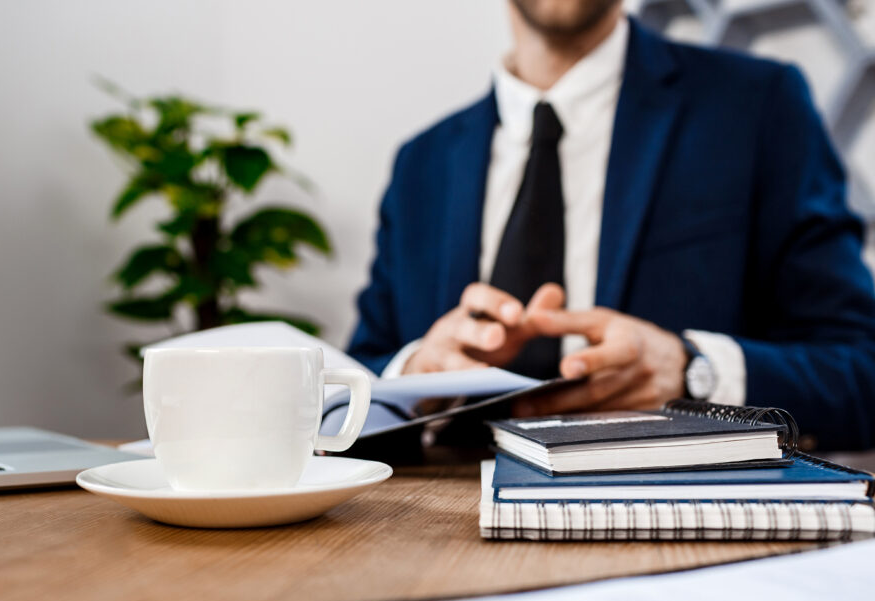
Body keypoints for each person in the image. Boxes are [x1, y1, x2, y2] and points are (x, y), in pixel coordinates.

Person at [347, 0, 875, 450]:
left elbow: (860, 371)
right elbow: (354, 380)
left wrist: (696, 371)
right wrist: (413, 375)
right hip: (432, 539)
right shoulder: (422, 163)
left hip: (677, 541)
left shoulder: (758, 108)